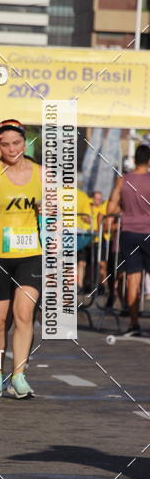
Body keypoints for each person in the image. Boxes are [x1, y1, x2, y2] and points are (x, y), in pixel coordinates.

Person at [0, 119, 42, 399]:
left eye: (16, 142)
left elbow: (54, 214)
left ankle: (19, 376)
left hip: (31, 255)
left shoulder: (42, 173)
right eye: (5, 144)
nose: (12, 149)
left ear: (25, 142)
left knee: (24, 314)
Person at [107, 144, 150, 336]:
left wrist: (126, 209)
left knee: (132, 278)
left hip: (129, 232)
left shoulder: (122, 180)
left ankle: (134, 324)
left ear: (135, 160)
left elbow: (110, 210)